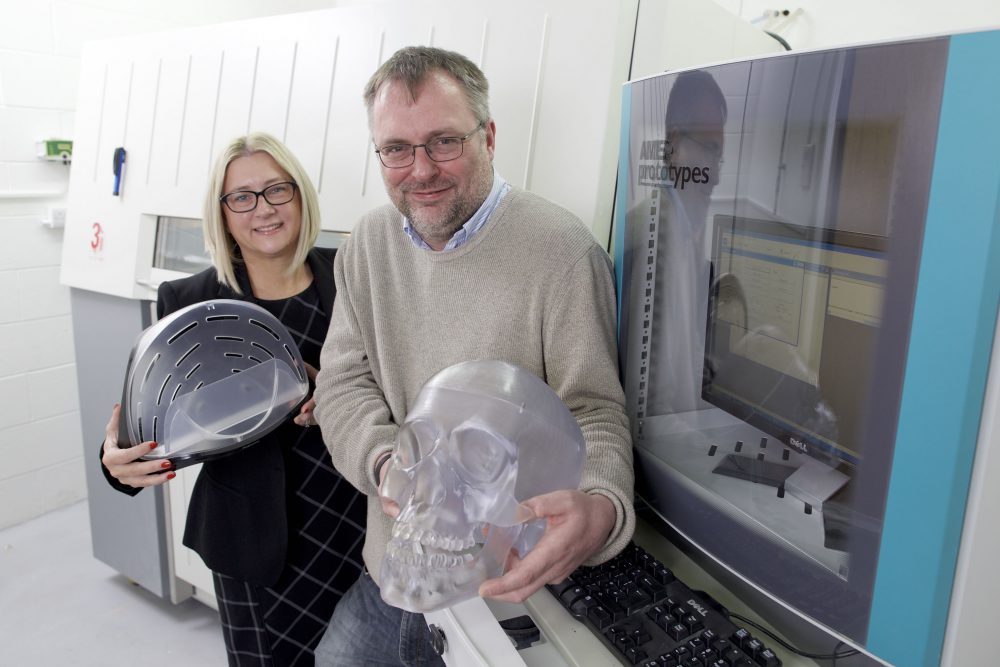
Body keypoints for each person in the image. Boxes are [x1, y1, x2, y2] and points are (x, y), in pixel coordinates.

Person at [311, 46, 635, 666]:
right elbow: (344, 383)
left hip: (506, 595)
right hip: (392, 570)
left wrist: (601, 505)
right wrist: (387, 462)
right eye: (396, 149)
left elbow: (593, 410)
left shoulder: (563, 253)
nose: (420, 170)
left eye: (444, 142)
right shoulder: (367, 246)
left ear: (487, 136)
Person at [99, 132, 366, 667]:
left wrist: (336, 396)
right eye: (241, 197)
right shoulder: (189, 300)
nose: (262, 209)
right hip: (256, 545)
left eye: (277, 189)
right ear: (222, 214)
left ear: (300, 195)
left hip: (357, 527)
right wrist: (117, 465)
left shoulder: (351, 275)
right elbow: (155, 419)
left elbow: (391, 384)